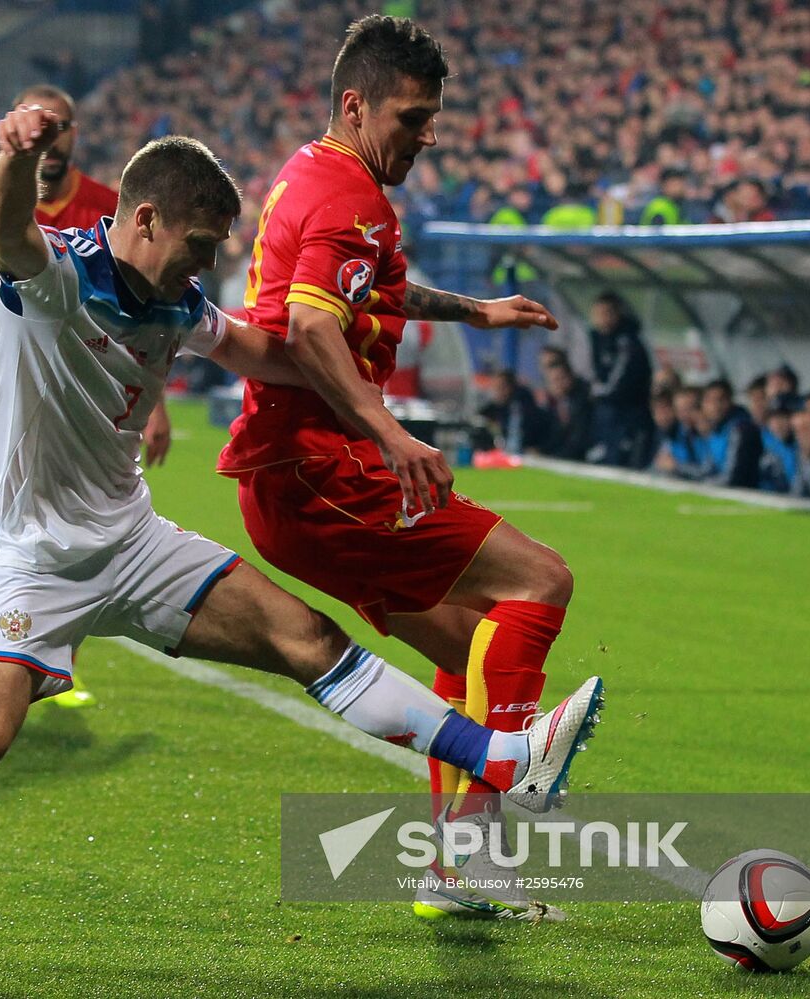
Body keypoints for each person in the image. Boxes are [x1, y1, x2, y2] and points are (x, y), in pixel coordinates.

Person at [0, 111, 606, 956]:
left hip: (134, 541)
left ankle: (499, 756)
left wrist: (360, 380)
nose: (212, 259)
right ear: (146, 218)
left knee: (304, 636)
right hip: (33, 560)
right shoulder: (58, 279)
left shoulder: (180, 301)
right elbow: (8, 231)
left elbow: (262, 353)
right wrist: (14, 152)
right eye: (202, 240)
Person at [215, 15, 575, 921]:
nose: (428, 134)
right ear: (355, 103)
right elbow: (309, 326)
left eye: (432, 117)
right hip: (319, 468)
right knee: (539, 581)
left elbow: (365, 289)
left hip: (291, 479)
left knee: (470, 649)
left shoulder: (320, 173)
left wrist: (475, 311)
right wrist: (387, 431)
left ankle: (451, 869)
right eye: (413, 117)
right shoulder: (348, 195)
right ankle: (476, 837)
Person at [0, 83, 169, 699]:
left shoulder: (106, 206)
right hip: (14, 392)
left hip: (94, 392)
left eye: (60, 125)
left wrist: (158, 404)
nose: (53, 136)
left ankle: (33, 647)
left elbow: (142, 311)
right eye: (40, 124)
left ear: (74, 133)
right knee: (9, 507)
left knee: (83, 508)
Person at [587, 290, 654, 467]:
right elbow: (596, 371)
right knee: (606, 457)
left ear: (616, 314)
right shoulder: (597, 338)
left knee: (621, 460)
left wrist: (598, 391)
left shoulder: (627, 341)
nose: (601, 318)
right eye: (597, 314)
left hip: (628, 412)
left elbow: (620, 380)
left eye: (605, 313)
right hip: (609, 409)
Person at [698, 378, 762, 489]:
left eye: (720, 400)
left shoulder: (740, 430)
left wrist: (702, 484)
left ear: (730, 401)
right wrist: (677, 467)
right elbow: (707, 469)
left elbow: (732, 478)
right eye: (709, 400)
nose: (715, 406)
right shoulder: (714, 429)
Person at [480, 368, 549, 455]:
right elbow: (481, 415)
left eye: (501, 387)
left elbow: (515, 444)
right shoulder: (499, 405)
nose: (497, 391)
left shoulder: (520, 406)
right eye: (495, 388)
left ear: (510, 387)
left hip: (530, 454)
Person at [539, 357, 593, 461]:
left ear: (571, 377)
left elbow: (579, 440)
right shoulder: (550, 405)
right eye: (553, 380)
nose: (558, 384)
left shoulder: (582, 402)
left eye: (561, 378)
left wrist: (552, 457)